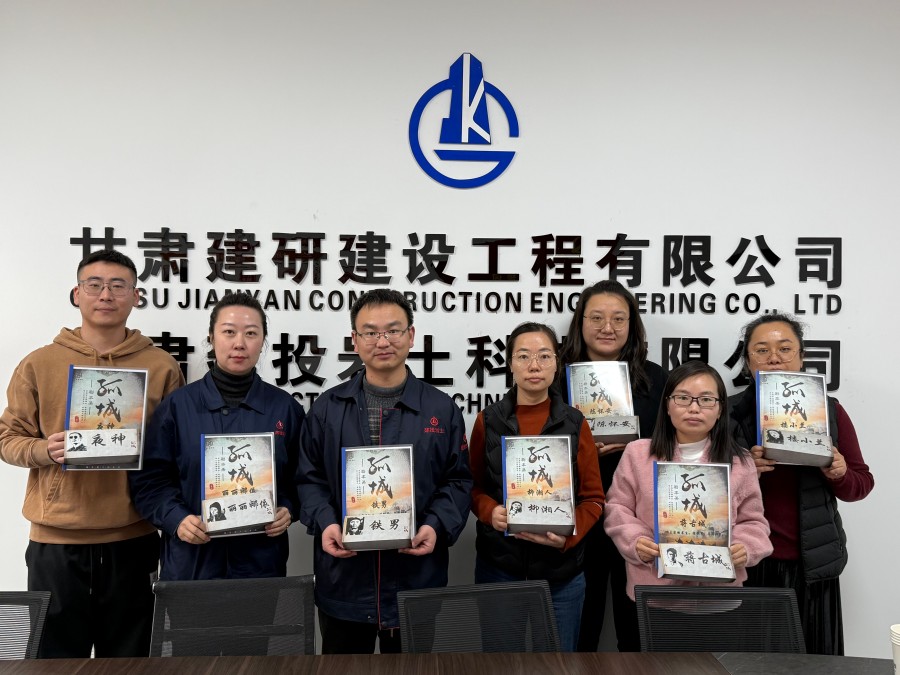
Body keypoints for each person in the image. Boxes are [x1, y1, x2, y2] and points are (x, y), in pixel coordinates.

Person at [0, 249, 184, 658]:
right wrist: (43, 449)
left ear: (136, 296)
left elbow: (174, 449)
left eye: (118, 286)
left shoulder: (161, 366)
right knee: (55, 659)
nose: (106, 295)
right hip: (56, 540)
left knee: (131, 658)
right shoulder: (38, 363)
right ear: (76, 294)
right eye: (94, 285)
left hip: (132, 536)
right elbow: (7, 439)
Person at [296, 288, 472, 654]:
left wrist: (435, 526)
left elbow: (457, 480)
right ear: (355, 340)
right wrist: (327, 523)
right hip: (345, 583)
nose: (382, 341)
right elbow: (309, 479)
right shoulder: (327, 409)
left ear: (411, 335)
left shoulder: (441, 409)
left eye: (393, 330)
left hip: (415, 581)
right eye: (371, 332)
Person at [129, 292, 304, 580]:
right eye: (229, 332)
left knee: (259, 613)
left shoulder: (284, 408)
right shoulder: (177, 406)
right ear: (211, 337)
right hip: (192, 562)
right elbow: (149, 481)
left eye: (251, 333)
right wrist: (177, 519)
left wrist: (288, 508)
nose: (239, 343)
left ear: (263, 341)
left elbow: (304, 477)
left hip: (260, 563)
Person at [727, 313, 874, 655]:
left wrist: (839, 472)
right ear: (747, 361)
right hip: (749, 562)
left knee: (816, 662)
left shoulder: (830, 411)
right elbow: (705, 486)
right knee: (749, 663)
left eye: (785, 348)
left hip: (814, 565)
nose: (774, 358)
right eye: (761, 350)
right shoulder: (728, 413)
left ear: (802, 356)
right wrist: (744, 471)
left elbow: (861, 483)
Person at [469, 321, 605, 652]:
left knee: (558, 664)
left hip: (562, 572)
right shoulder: (488, 420)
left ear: (557, 363)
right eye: (524, 356)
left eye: (544, 356)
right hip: (500, 567)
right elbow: (471, 487)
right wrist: (490, 512)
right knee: (500, 663)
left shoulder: (575, 422)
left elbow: (593, 498)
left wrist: (569, 535)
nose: (534, 365)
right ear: (510, 364)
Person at [558, 280, 666, 652]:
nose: (608, 327)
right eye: (597, 318)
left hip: (639, 519)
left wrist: (637, 447)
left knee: (635, 628)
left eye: (619, 319)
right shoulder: (556, 377)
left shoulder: (657, 379)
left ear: (632, 325)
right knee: (580, 626)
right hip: (577, 512)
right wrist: (582, 452)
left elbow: (675, 444)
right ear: (580, 322)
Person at [604, 361, 772, 600]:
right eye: (683, 398)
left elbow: (753, 521)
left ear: (720, 409)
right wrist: (636, 541)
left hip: (717, 592)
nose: (694, 408)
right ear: (667, 405)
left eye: (706, 399)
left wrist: (745, 547)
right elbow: (617, 507)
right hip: (654, 589)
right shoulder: (637, 453)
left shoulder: (741, 461)